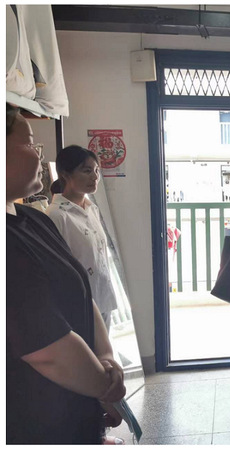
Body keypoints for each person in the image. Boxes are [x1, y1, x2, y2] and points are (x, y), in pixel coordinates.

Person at [6, 103, 125, 444]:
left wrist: (105, 357)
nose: (39, 153)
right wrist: (105, 387)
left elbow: (82, 288)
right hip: (36, 419)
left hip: (76, 403)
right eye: (31, 143)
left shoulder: (34, 220)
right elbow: (48, 350)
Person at [46, 145, 118, 332]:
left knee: (104, 348)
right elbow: (55, 269)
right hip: (78, 305)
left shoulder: (91, 209)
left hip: (103, 297)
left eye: (96, 170)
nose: (95, 177)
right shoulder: (56, 215)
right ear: (65, 175)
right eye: (86, 171)